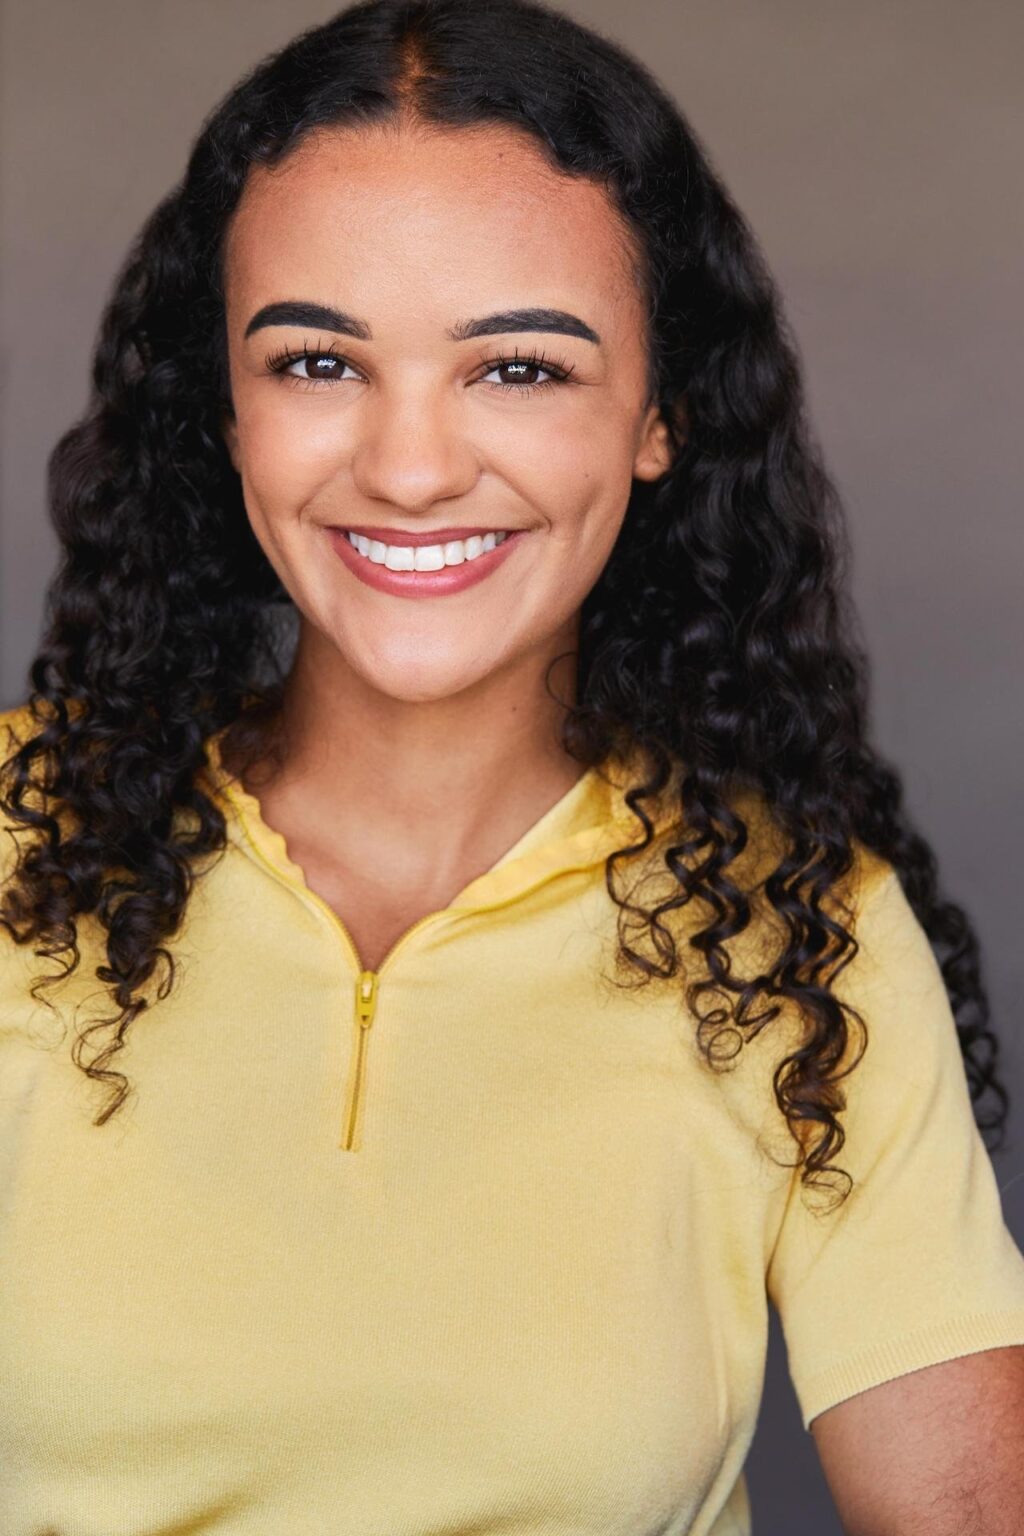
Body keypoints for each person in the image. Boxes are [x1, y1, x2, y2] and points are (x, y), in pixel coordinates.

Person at [1, 0, 1023, 1529]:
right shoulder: (12, 846)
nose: (411, 468)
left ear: (660, 418)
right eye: (316, 361)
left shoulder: (798, 926)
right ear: (225, 410)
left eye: (520, 370)